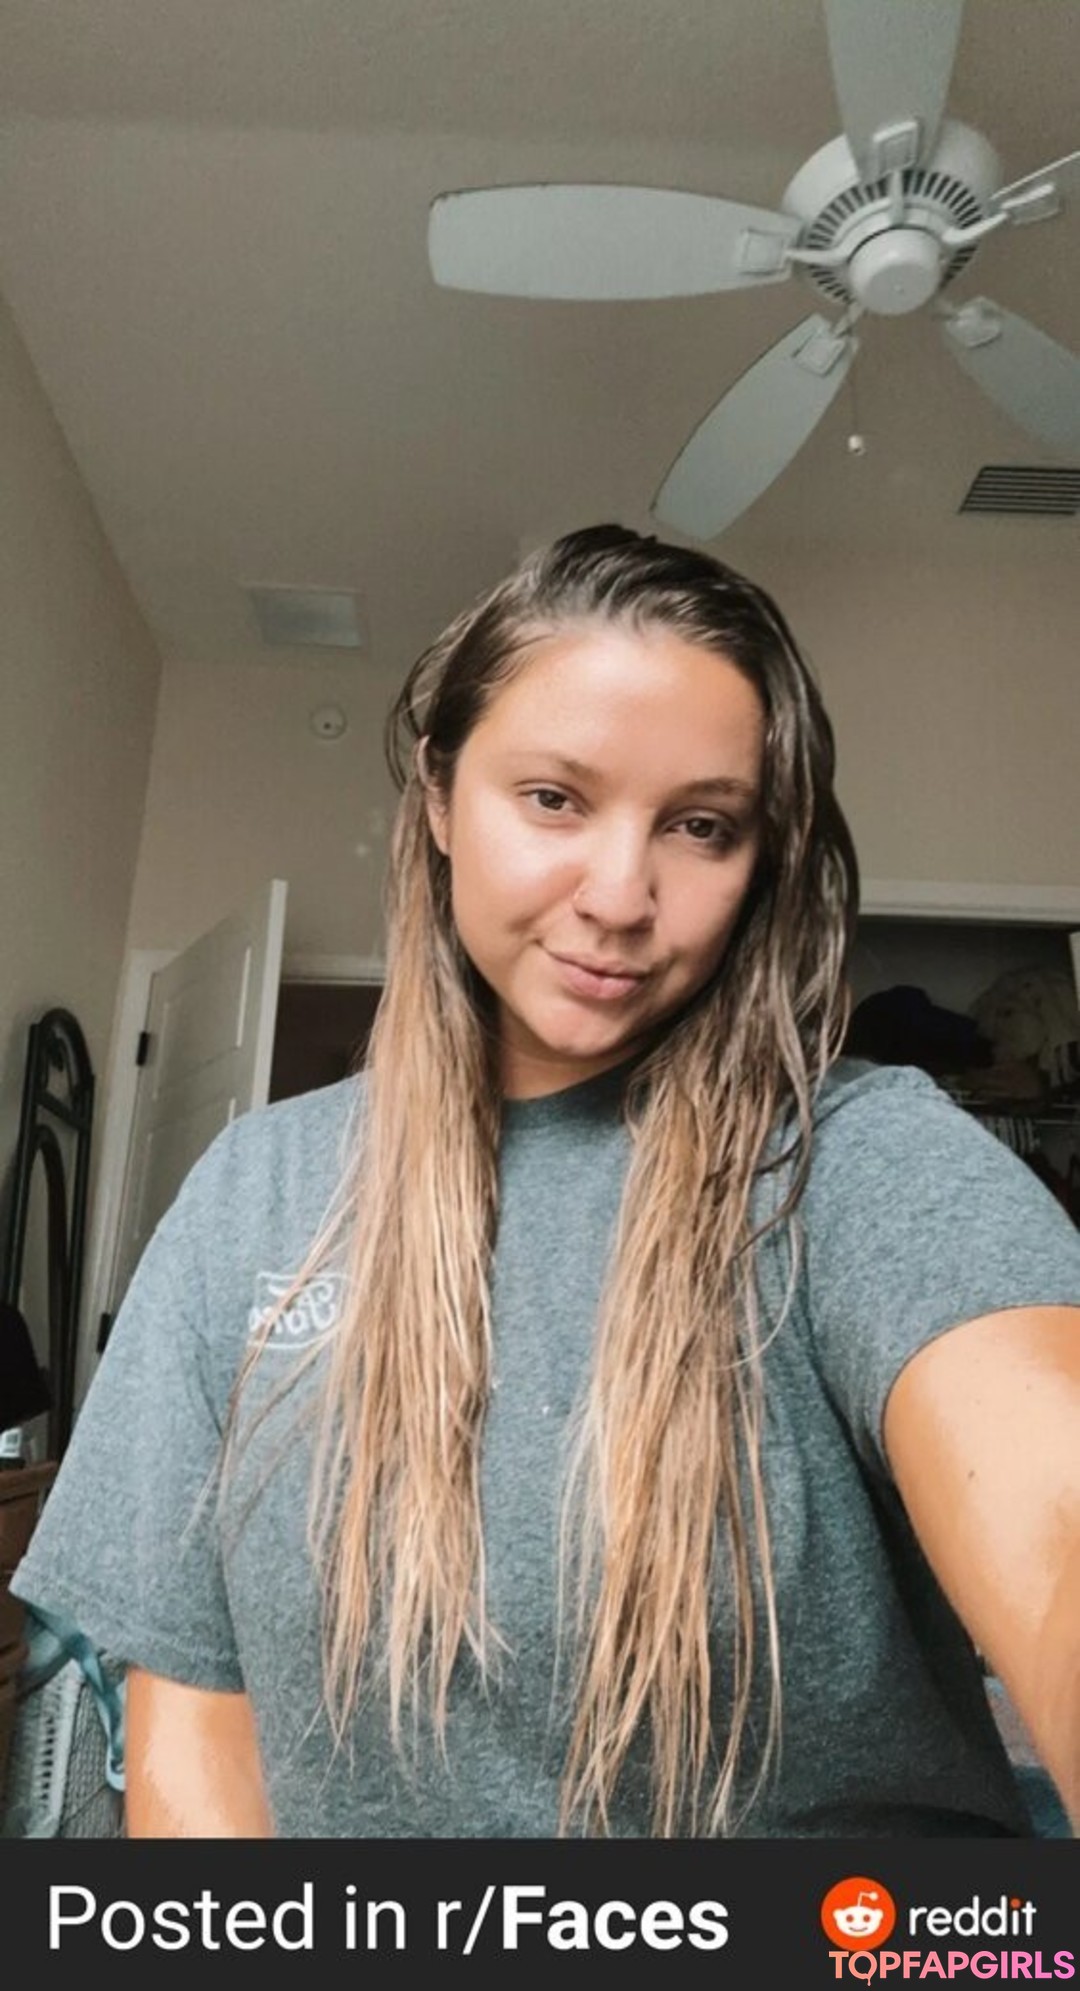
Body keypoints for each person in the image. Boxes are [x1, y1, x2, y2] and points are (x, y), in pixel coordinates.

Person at [10, 524, 1080, 1840]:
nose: (621, 896)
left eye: (701, 826)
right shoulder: (257, 1192)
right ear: (440, 795)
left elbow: (1057, 1524)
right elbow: (196, 1731)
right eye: (556, 800)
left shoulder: (865, 1161)